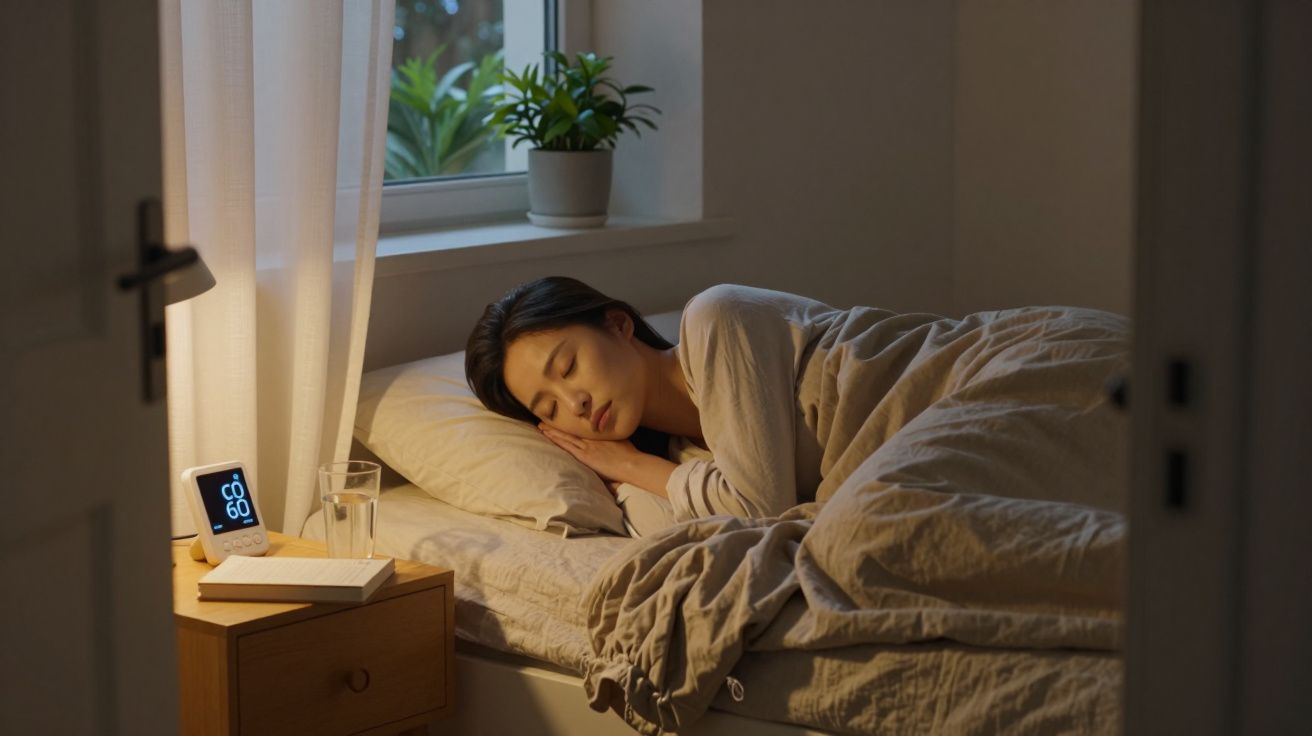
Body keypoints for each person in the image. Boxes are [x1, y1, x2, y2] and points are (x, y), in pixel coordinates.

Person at [466, 276, 1129, 523]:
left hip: (990, 366)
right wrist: (642, 477)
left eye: (566, 367)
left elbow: (761, 509)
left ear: (616, 324)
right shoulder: (690, 461)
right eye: (546, 407)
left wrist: (634, 468)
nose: (574, 404)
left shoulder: (713, 321)